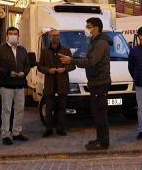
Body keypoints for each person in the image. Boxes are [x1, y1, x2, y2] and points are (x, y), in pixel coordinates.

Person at [59, 17, 112, 150]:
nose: (86, 29)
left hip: (100, 83)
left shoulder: (100, 43)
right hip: (95, 82)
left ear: (96, 28)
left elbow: (91, 61)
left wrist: (72, 60)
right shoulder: (94, 42)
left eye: (89, 26)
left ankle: (103, 142)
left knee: (100, 113)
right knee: (97, 113)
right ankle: (100, 139)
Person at [0, 26, 31, 145]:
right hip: (6, 85)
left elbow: (27, 65)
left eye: (15, 33)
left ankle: (17, 132)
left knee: (20, 110)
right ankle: (6, 135)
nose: (13, 35)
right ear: (7, 36)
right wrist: (8, 72)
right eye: (11, 33)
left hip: (20, 84)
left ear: (18, 36)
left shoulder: (22, 50)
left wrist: (24, 72)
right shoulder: (0, 49)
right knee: (6, 110)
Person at [38, 29, 75, 137]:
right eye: (54, 35)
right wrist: (48, 70)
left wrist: (64, 69)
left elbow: (73, 65)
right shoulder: (45, 51)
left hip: (62, 84)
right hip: (50, 85)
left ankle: (60, 129)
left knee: (62, 109)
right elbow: (40, 66)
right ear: (50, 37)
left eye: (58, 35)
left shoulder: (66, 50)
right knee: (49, 109)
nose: (56, 37)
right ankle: (48, 129)